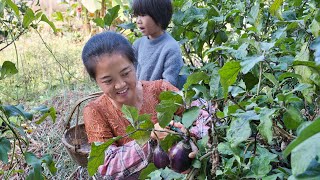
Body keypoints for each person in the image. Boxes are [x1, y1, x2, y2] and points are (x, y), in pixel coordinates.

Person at [81, 31, 203, 179]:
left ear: (135, 65)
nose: (120, 85)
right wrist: (151, 141)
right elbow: (104, 167)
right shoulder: (95, 111)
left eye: (126, 73)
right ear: (96, 81)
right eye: (108, 81)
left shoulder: (160, 90)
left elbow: (203, 112)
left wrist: (193, 137)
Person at [132, 0, 186, 89]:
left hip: (160, 100)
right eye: (137, 15)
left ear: (159, 16)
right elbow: (130, 74)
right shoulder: (137, 45)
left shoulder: (171, 48)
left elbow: (169, 85)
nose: (138, 21)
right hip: (138, 98)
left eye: (143, 15)